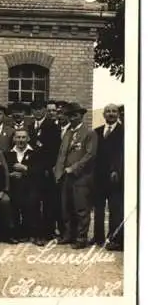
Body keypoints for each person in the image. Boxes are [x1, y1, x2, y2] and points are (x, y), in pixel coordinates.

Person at [54, 102, 98, 249]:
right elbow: (62, 154)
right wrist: (58, 171)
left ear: (81, 116)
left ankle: (81, 237)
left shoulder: (89, 133)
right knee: (66, 207)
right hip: (65, 175)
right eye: (70, 115)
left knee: (81, 208)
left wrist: (74, 168)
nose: (72, 118)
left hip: (81, 177)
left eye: (75, 115)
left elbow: (89, 155)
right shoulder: (68, 133)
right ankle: (68, 235)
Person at [28, 100, 61, 240]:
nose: (37, 112)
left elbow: (53, 150)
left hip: (46, 170)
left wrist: (47, 167)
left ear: (44, 110)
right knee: (34, 201)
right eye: (34, 109)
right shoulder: (30, 126)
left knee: (48, 202)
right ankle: (35, 232)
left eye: (40, 109)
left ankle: (47, 232)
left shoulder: (52, 126)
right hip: (32, 169)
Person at [92, 104, 124, 251]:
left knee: (115, 208)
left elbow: (123, 154)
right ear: (104, 114)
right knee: (98, 208)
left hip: (114, 177)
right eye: (108, 112)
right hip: (98, 176)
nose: (111, 114)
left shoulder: (124, 131)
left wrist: (117, 170)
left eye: (114, 111)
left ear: (118, 114)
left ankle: (115, 238)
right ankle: (98, 237)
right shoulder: (97, 132)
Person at [6, 129, 44, 246]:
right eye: (18, 137)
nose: (21, 140)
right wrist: (11, 175)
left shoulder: (36, 152)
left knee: (33, 203)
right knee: (13, 204)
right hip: (14, 187)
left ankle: (35, 234)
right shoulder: (8, 153)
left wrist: (25, 169)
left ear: (28, 139)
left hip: (31, 186)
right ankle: (18, 233)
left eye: (23, 137)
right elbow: (4, 171)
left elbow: (40, 171)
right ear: (14, 139)